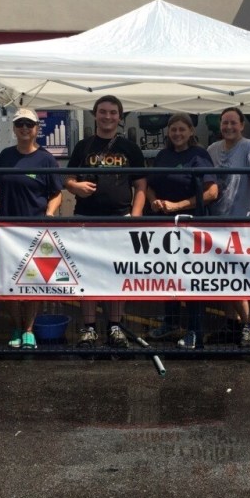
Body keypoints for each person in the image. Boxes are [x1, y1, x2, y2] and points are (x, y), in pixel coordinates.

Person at [63, 95, 146, 348]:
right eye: (103, 111)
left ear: (119, 117)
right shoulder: (83, 146)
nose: (107, 116)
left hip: (120, 219)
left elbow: (141, 186)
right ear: (95, 114)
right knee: (86, 273)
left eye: (112, 112)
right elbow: (67, 179)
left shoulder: (130, 148)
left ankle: (115, 326)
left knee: (118, 273)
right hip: (86, 218)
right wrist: (76, 187)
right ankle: (89, 327)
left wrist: (135, 217)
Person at [0, 108, 62, 349]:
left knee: (34, 282)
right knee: (10, 282)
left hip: (36, 231)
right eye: (20, 124)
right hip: (7, 231)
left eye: (29, 124)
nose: (24, 128)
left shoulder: (46, 159)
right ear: (14, 129)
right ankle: (16, 326)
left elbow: (56, 193)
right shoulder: (5, 156)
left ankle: (29, 330)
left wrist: (48, 214)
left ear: (37, 128)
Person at [145, 112, 219, 349]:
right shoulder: (162, 155)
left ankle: (195, 330)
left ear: (191, 132)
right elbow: (149, 186)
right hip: (166, 227)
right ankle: (171, 322)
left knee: (191, 278)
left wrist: (178, 206)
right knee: (168, 275)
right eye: (173, 129)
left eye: (182, 129)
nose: (177, 133)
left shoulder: (199, 155)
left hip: (192, 226)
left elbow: (212, 192)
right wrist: (154, 201)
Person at [207, 107, 250, 348]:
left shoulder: (249, 147)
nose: (228, 127)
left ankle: (248, 324)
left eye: (233, 123)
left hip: (240, 225)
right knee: (222, 277)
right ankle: (231, 323)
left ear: (241, 125)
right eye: (224, 123)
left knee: (236, 276)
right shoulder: (212, 149)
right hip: (215, 222)